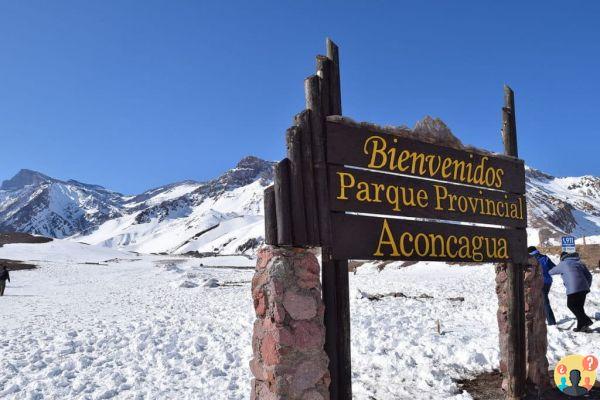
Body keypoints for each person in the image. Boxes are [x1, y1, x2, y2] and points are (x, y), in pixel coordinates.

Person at [550, 252, 594, 332]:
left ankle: (587, 320)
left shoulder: (563, 263)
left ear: (562, 258)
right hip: (584, 288)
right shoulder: (579, 263)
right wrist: (587, 286)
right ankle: (581, 326)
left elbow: (551, 271)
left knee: (571, 305)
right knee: (579, 307)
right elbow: (589, 276)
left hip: (574, 289)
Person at [528, 246, 557, 325]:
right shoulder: (545, 257)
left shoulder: (530, 259)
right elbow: (553, 267)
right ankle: (541, 319)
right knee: (541, 300)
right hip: (548, 282)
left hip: (539, 283)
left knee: (543, 301)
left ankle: (551, 322)